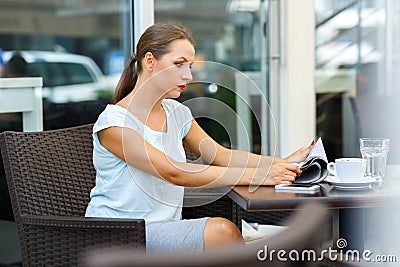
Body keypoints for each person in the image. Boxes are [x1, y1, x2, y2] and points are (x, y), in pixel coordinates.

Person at [85, 23, 314, 254]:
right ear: (150, 61)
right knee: (223, 233)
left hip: (163, 230)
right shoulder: (115, 123)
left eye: (190, 66)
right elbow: (173, 171)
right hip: (118, 233)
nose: (188, 75)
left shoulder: (176, 113)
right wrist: (260, 176)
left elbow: (220, 155)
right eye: (179, 64)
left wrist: (281, 162)